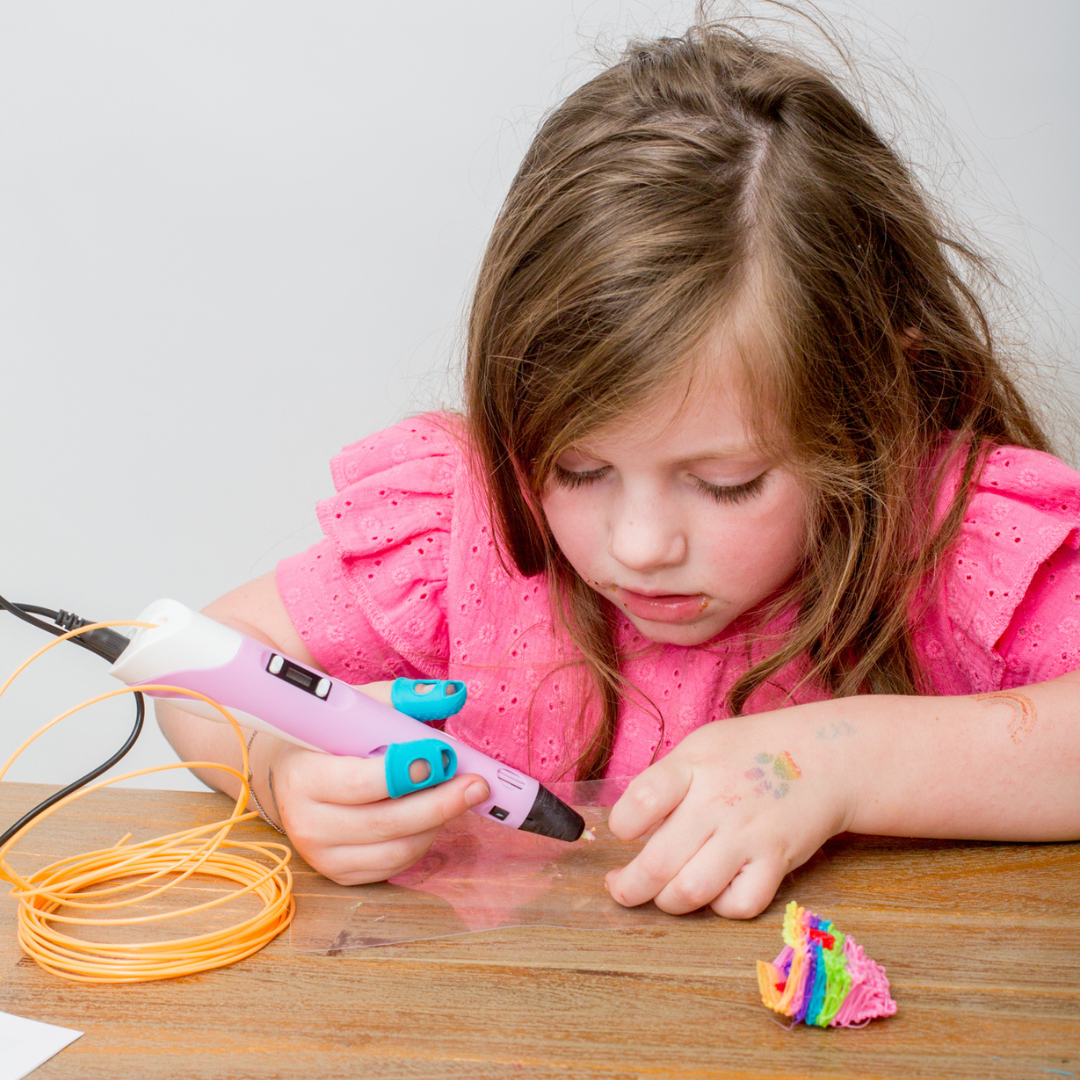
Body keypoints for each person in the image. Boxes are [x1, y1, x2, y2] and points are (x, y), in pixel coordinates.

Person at [157, 20, 1080, 920]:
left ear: (872, 405)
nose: (639, 546)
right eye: (577, 468)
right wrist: (281, 772)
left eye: (726, 481)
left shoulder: (953, 537)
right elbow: (193, 667)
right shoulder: (465, 529)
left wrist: (843, 759)